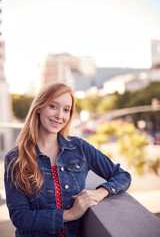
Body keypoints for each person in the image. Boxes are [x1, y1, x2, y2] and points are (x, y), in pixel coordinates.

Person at [4, 82, 131, 237]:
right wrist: (70, 213)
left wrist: (100, 193)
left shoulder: (79, 148)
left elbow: (122, 175)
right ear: (38, 108)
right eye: (53, 106)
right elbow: (20, 217)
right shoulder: (15, 158)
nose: (59, 115)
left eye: (66, 110)